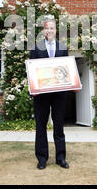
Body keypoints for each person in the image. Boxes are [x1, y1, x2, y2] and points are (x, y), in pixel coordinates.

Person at [29, 17, 70, 170]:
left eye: (52, 28)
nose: (49, 31)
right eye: (47, 28)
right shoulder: (36, 48)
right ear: (43, 31)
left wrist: (72, 83)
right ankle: (42, 159)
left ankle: (61, 158)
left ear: (55, 30)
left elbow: (66, 70)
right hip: (41, 95)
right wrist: (32, 90)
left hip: (59, 94)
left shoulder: (62, 48)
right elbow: (31, 71)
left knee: (59, 126)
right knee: (41, 127)